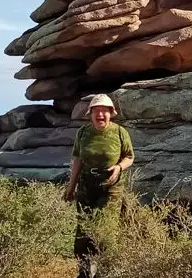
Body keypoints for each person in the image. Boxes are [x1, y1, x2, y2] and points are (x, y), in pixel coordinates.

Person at [64, 94, 135, 278]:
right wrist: (71, 187)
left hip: (111, 187)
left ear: (111, 113)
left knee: (105, 230)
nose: (101, 115)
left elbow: (129, 157)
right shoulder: (83, 133)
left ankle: (104, 272)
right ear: (90, 114)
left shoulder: (120, 132)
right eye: (97, 111)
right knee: (83, 230)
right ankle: (84, 272)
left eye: (104, 111)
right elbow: (78, 159)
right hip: (87, 185)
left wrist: (119, 168)